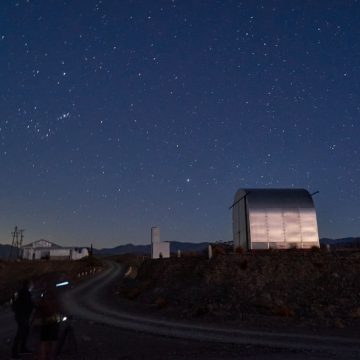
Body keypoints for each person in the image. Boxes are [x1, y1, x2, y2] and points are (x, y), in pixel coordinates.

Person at [36, 286, 62, 360]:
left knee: (44, 341)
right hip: (53, 322)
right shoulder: (55, 300)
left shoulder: (42, 301)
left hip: (45, 323)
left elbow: (38, 312)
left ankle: (44, 356)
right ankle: (51, 356)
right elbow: (59, 310)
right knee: (53, 341)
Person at [11, 279, 35, 359]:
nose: (32, 286)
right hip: (22, 316)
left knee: (25, 331)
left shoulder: (20, 292)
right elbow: (29, 304)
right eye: (31, 284)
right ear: (28, 285)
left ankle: (22, 348)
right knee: (20, 333)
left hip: (20, 315)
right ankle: (15, 352)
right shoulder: (26, 293)